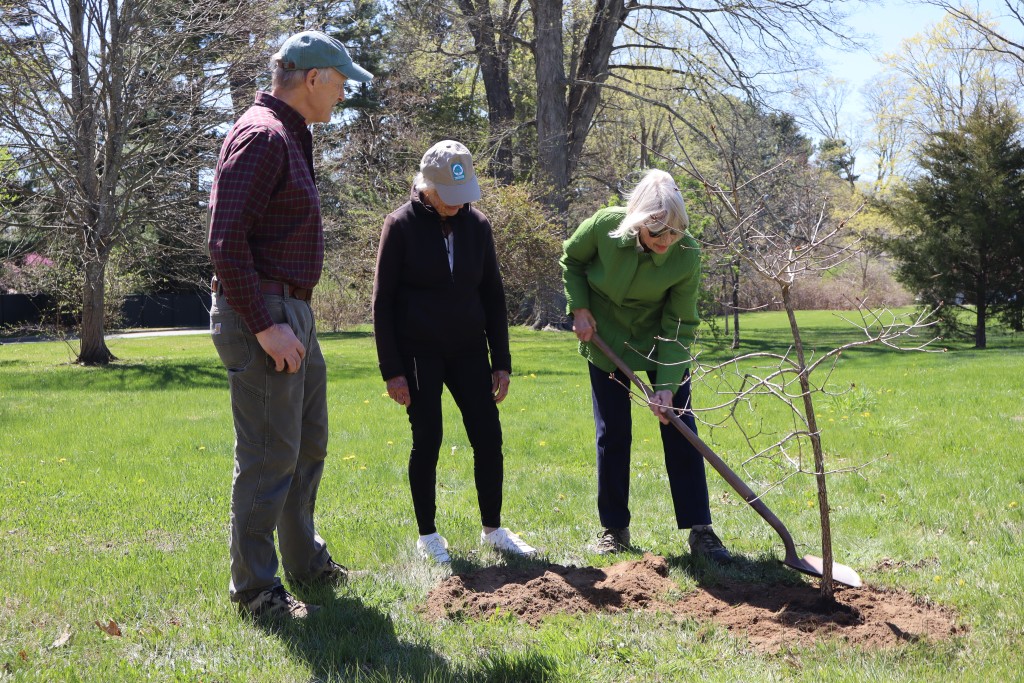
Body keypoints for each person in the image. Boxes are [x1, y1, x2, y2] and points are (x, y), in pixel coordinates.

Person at [207, 30, 373, 620]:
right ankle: (255, 590)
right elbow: (226, 244)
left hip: (291, 311)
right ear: (312, 79)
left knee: (307, 444)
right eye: (340, 83)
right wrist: (265, 325)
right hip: (265, 313)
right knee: (269, 454)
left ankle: (305, 561)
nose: (343, 95)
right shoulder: (262, 136)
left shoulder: (290, 136)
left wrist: (291, 320)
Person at [372, 140, 536, 564]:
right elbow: (382, 302)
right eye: (447, 196)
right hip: (418, 354)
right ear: (426, 186)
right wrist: (392, 369)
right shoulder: (400, 225)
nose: (455, 206)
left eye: (462, 198)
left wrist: (501, 360)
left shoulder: (478, 226)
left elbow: (493, 294)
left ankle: (494, 529)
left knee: (488, 435)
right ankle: (428, 536)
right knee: (428, 439)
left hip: (469, 352)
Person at [560, 168, 732, 564]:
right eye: (658, 234)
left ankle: (700, 530)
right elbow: (571, 260)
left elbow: (680, 323)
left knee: (681, 430)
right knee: (613, 435)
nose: (666, 242)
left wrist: (668, 385)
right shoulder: (604, 227)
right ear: (638, 222)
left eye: (674, 233)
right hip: (606, 341)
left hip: (661, 346)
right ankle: (614, 529)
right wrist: (580, 308)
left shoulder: (687, 253)